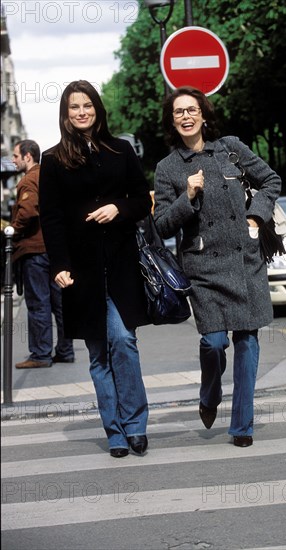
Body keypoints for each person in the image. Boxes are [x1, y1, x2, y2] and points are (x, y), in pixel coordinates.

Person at [153, 86, 282, 448]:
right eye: (178, 112)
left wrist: (256, 217)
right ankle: (209, 395)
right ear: (172, 120)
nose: (185, 116)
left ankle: (242, 426)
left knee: (247, 341)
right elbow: (162, 224)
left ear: (203, 115)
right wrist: (188, 196)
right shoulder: (167, 169)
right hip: (204, 268)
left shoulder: (230, 148)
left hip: (245, 262)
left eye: (191, 110)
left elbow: (271, 181)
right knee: (212, 343)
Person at [39, 80, 152, 458]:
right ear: (65, 114)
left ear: (97, 109)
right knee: (98, 353)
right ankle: (115, 432)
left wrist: (118, 208)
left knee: (124, 340)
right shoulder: (52, 159)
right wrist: (59, 265)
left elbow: (141, 199)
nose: (82, 112)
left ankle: (135, 424)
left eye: (87, 105)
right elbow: (51, 218)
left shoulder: (121, 149)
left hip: (121, 264)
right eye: (74, 107)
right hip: (80, 271)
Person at [11, 139, 74, 369]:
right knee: (59, 302)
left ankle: (40, 354)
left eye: (16, 156)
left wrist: (13, 231)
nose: (13, 160)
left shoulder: (29, 180)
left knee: (38, 304)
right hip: (53, 248)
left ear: (28, 156)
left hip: (35, 250)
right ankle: (65, 350)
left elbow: (28, 210)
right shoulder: (49, 175)